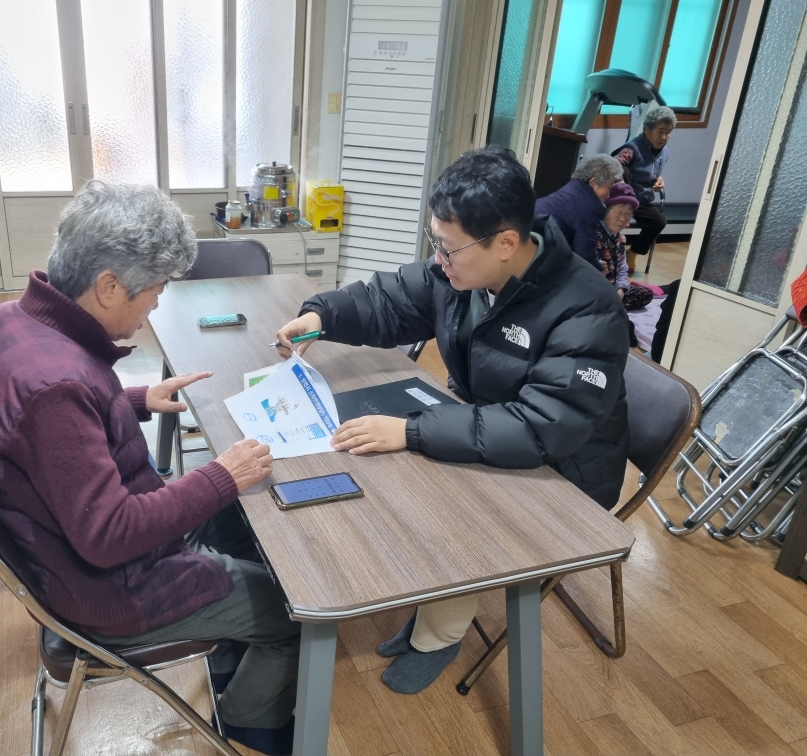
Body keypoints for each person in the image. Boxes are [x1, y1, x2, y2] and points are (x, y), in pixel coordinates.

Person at [0, 181, 299, 756]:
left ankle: (233, 641)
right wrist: (221, 475)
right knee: (294, 608)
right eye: (155, 291)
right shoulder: (59, 387)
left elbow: (49, 431)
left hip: (65, 546)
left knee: (248, 521)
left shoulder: (4, 323)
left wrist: (137, 400)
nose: (156, 305)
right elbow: (109, 536)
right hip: (111, 589)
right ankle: (246, 729)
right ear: (109, 286)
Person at [274, 146, 630, 696]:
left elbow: (541, 428)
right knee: (395, 464)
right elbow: (389, 301)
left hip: (566, 466)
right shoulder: (461, 271)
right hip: (491, 422)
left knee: (445, 498)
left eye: (448, 247)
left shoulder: (587, 308)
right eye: (434, 242)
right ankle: (429, 604)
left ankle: (438, 633)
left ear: (506, 244)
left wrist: (412, 430)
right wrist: (322, 314)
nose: (438, 258)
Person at [534, 154, 623, 271]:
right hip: (542, 254)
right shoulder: (590, 206)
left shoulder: (573, 187)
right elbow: (585, 251)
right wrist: (598, 267)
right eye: (609, 187)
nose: (608, 195)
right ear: (593, 183)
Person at [614, 105, 676, 272]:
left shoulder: (665, 152)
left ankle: (632, 254)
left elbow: (652, 174)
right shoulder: (631, 149)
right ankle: (612, 257)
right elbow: (613, 167)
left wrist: (658, 181)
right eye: (660, 131)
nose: (664, 137)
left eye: (668, 132)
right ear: (648, 129)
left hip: (642, 200)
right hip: (622, 198)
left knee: (659, 221)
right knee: (623, 169)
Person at [597, 182, 639, 298]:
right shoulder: (592, 234)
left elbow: (622, 267)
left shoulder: (620, 238)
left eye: (627, 214)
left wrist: (620, 289)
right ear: (605, 211)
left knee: (644, 294)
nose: (622, 219)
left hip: (612, 288)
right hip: (593, 288)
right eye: (618, 213)